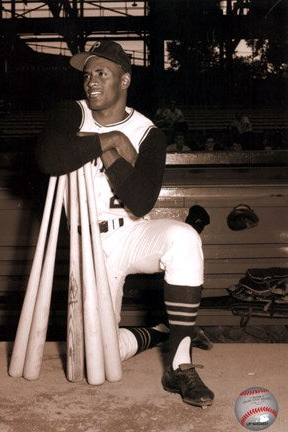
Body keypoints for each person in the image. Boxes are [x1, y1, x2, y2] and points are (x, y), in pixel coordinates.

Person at [36, 40, 214, 407]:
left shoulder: (149, 132)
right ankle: (163, 332)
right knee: (94, 361)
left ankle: (180, 365)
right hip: (88, 248)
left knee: (183, 238)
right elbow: (49, 157)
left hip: (131, 232)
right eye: (87, 75)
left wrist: (106, 149)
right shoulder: (70, 112)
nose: (91, 81)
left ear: (125, 80)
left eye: (102, 73)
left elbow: (141, 201)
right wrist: (110, 139)